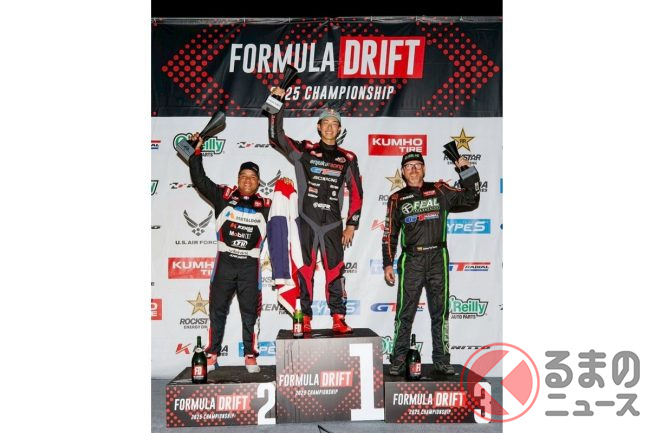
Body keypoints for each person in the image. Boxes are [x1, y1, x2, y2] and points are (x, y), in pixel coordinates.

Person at [267, 87, 363, 334]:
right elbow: (276, 137)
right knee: (305, 270)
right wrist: (278, 103)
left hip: (333, 225)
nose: (330, 127)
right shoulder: (305, 151)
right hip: (307, 222)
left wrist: (352, 224)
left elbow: (357, 192)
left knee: (335, 271)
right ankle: (305, 317)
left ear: (339, 129)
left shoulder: (348, 158)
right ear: (318, 127)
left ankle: (338, 317)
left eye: (334, 124)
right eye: (325, 123)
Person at [189, 132, 285, 373]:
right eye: (243, 176)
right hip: (224, 263)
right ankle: (212, 355)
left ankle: (250, 356)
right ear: (238, 179)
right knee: (216, 311)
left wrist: (287, 186)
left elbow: (289, 208)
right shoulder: (224, 196)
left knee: (250, 314)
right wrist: (196, 152)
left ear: (259, 182)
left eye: (252, 177)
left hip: (249, 267)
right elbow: (200, 180)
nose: (247, 180)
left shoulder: (267, 205)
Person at [382, 151, 480, 375]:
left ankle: (442, 359)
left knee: (440, 312)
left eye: (418, 165)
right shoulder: (396, 199)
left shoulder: (440, 190)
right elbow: (389, 234)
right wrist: (388, 263)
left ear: (424, 169)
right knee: (404, 313)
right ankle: (398, 359)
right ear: (403, 171)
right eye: (409, 166)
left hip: (438, 257)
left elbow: (471, 199)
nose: (414, 169)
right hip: (411, 260)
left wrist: (467, 171)